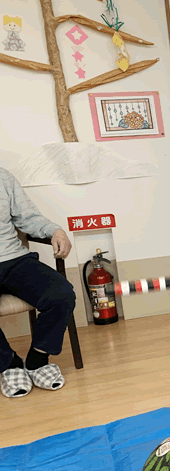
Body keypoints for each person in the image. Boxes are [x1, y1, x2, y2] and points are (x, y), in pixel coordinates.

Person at [0, 168, 75, 399]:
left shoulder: (3, 177)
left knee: (61, 294)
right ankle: (9, 364)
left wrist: (55, 231)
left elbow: (28, 217)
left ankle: (38, 359)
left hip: (14, 259)